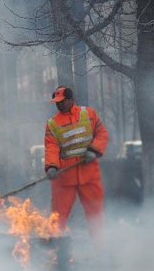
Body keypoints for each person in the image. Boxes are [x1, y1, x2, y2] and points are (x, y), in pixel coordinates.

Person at [45, 87, 109, 247]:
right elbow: (51, 147)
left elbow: (102, 134)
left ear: (70, 100)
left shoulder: (89, 114)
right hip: (64, 178)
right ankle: (55, 248)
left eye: (61, 102)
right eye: (56, 103)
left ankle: (99, 247)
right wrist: (51, 166)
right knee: (57, 216)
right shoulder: (52, 123)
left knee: (95, 213)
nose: (58, 105)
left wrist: (94, 150)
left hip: (89, 175)